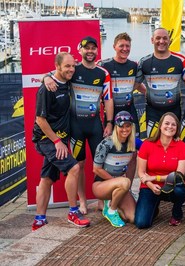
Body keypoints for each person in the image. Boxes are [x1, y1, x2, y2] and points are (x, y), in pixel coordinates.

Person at [44, 36, 113, 215]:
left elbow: (108, 99)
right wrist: (46, 77)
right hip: (76, 127)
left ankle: (101, 201)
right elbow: (55, 75)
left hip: (95, 126)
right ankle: (82, 201)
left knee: (102, 162)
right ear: (80, 50)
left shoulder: (102, 73)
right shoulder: (73, 70)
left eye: (93, 48)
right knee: (79, 165)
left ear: (97, 51)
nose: (90, 51)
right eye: (86, 48)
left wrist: (110, 123)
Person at [32, 52, 90, 231]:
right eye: (67, 66)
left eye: (73, 66)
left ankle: (39, 220)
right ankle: (73, 212)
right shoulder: (47, 88)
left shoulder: (69, 81)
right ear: (57, 66)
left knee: (47, 178)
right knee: (74, 168)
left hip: (59, 139)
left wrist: (46, 75)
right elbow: (40, 120)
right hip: (47, 139)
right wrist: (57, 141)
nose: (71, 69)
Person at [134, 112, 185, 229]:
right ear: (160, 126)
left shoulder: (181, 146)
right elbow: (141, 172)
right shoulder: (147, 144)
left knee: (180, 190)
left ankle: (177, 214)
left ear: (177, 128)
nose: (170, 127)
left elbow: (179, 175)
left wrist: (154, 178)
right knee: (141, 223)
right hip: (150, 186)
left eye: (173, 124)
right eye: (167, 123)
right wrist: (151, 184)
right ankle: (154, 206)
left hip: (172, 186)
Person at [136, 28, 185, 138]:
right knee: (153, 144)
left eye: (165, 38)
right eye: (158, 38)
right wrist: (146, 90)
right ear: (152, 40)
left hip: (174, 111)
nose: (161, 41)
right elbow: (134, 85)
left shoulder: (180, 60)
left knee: (173, 146)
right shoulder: (144, 62)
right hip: (153, 113)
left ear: (169, 40)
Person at [92, 111, 138, 227]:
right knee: (124, 181)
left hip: (121, 184)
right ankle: (111, 210)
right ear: (116, 126)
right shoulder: (106, 143)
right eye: (121, 126)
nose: (125, 129)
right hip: (101, 185)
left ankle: (110, 205)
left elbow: (132, 164)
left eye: (128, 126)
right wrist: (114, 181)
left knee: (133, 218)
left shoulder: (132, 144)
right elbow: (96, 169)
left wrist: (128, 186)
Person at [97, 32, 146, 136]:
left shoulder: (134, 65)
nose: (125, 49)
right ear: (114, 47)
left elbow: (137, 84)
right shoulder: (104, 65)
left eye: (127, 46)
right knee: (112, 145)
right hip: (111, 113)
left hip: (130, 110)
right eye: (121, 46)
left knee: (134, 144)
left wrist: (147, 92)